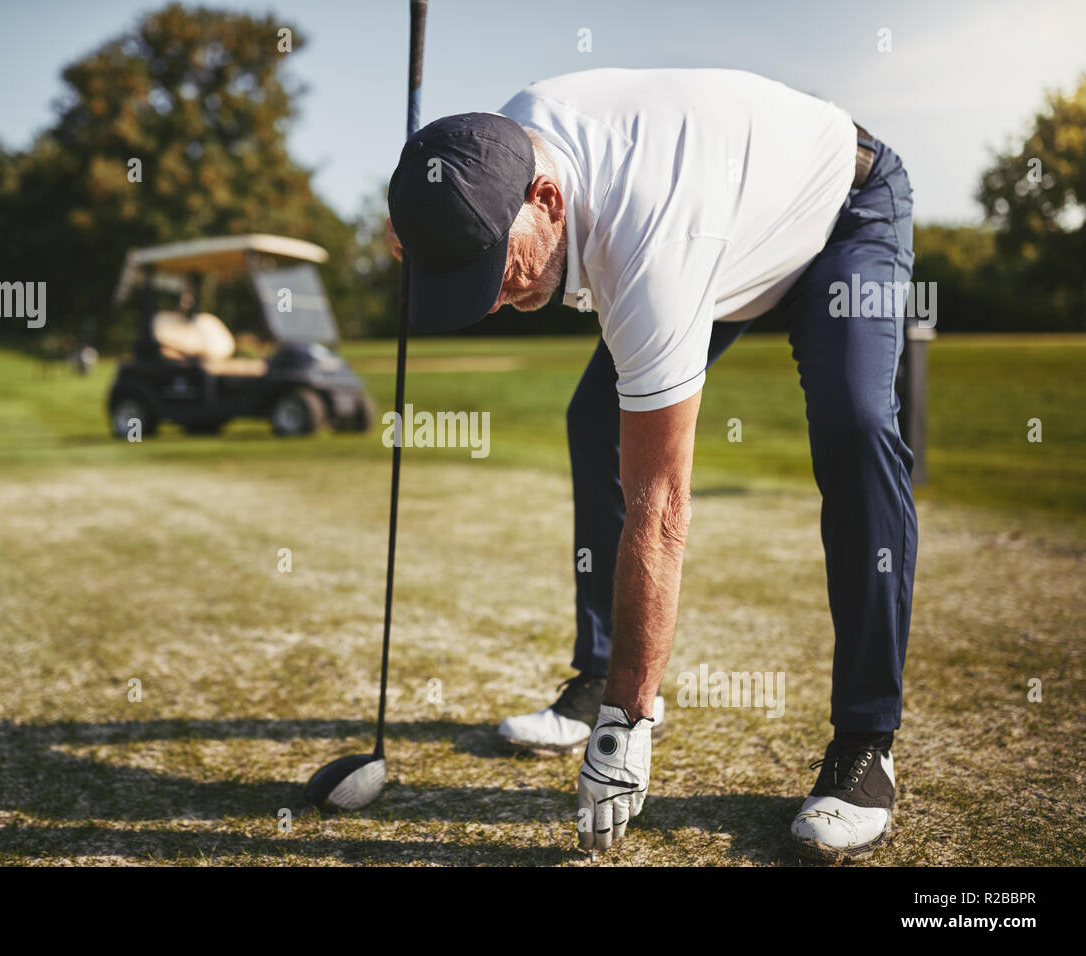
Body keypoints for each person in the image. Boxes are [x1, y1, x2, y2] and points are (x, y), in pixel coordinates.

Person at [384, 68, 916, 862]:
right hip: (732, 233)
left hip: (841, 216)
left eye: (497, 268)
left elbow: (661, 508)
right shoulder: (486, 151)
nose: (491, 299)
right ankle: (595, 672)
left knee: (858, 424)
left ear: (549, 200)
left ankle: (867, 743)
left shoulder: (651, 239)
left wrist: (628, 725)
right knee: (595, 421)